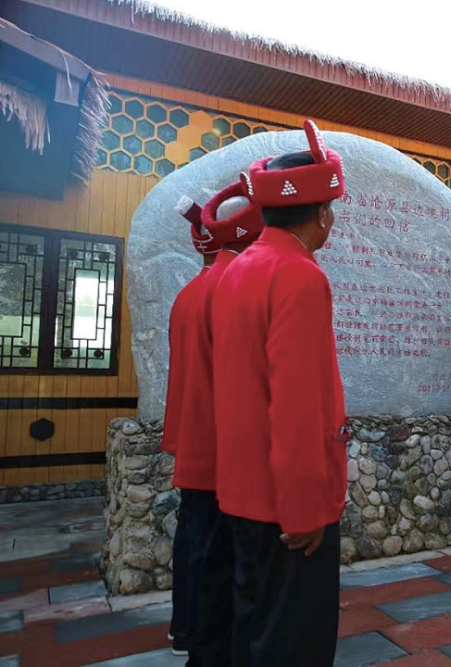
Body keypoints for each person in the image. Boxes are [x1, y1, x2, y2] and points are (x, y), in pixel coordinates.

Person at [212, 120, 349, 667]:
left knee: (255, 629)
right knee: (297, 642)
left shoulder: (239, 270)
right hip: (285, 506)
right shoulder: (299, 275)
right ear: (319, 214)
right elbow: (294, 403)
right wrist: (304, 509)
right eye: (332, 210)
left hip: (243, 491)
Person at [173, 178, 264, 666]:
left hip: (195, 447)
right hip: (223, 454)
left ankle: (191, 637)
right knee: (221, 568)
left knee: (197, 551)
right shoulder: (234, 286)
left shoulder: (192, 289)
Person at [163, 195, 221, 657]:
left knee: (193, 533)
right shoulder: (229, 290)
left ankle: (186, 627)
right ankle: (203, 633)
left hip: (192, 434)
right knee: (213, 544)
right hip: (219, 437)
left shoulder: (188, 293)